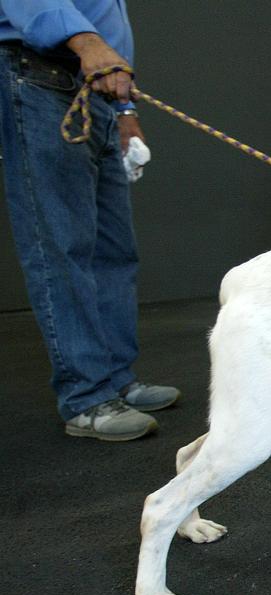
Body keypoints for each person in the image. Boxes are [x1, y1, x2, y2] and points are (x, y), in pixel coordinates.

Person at [0, 1, 178, 441]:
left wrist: (123, 112)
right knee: (61, 247)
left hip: (95, 87)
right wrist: (87, 41)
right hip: (42, 75)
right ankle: (87, 398)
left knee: (114, 251)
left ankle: (117, 379)